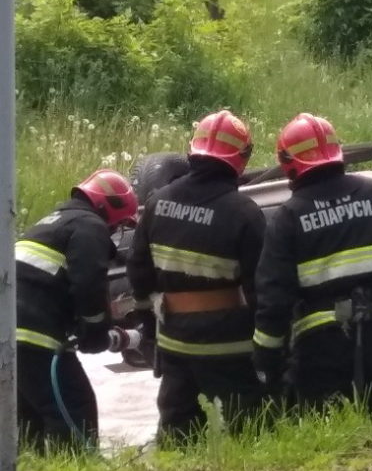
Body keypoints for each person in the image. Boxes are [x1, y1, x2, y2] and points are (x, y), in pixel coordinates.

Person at [252, 112, 372, 417]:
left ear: (288, 163)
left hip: (323, 351)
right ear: (337, 152)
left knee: (328, 448)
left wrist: (266, 364)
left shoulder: (288, 218)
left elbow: (273, 301)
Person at [127, 110, 267, 440]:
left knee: (177, 429)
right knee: (247, 431)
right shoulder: (245, 213)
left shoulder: (158, 202)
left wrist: (148, 327)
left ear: (193, 150)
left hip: (175, 340)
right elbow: (261, 288)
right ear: (241, 159)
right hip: (228, 345)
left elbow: (138, 272)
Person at [16, 170, 138, 450]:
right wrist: (96, 330)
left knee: (28, 415)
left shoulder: (51, 223)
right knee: (74, 407)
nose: (113, 231)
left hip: (12, 334)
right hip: (35, 335)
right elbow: (88, 284)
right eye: (117, 225)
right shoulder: (89, 226)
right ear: (110, 210)